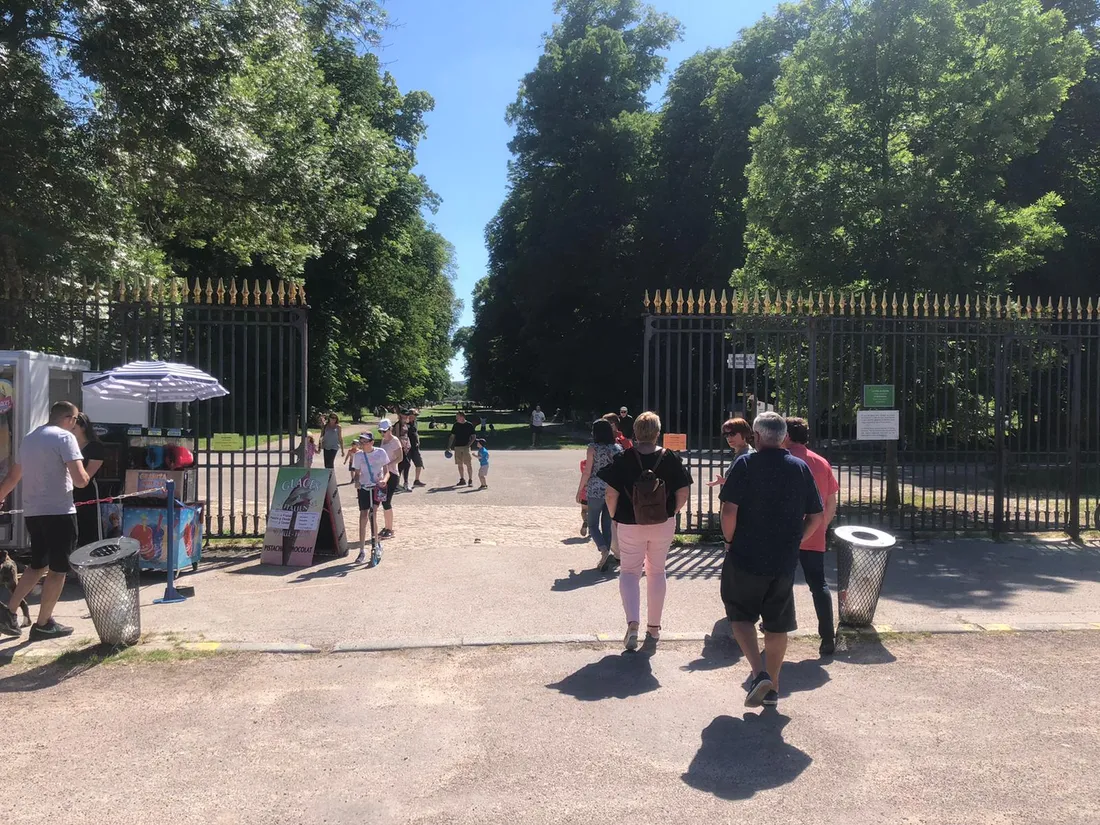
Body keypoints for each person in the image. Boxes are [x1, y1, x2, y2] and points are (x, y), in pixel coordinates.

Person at [719, 411, 823, 709]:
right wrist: (796, 541)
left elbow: (729, 511)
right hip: (782, 561)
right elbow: (816, 516)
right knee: (777, 624)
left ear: (759, 436)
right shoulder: (800, 467)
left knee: (740, 616)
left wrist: (728, 541)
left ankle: (758, 672)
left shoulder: (746, 463)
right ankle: (774, 687)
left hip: (745, 555)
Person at [598, 411, 692, 651]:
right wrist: (672, 511)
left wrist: (614, 516)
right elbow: (683, 492)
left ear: (635, 433)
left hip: (630, 522)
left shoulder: (625, 458)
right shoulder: (669, 458)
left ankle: (632, 623)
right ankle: (654, 627)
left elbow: (610, 493)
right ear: (658, 433)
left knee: (629, 572)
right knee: (657, 571)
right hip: (662, 522)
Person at [0, 401, 91, 639]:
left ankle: (9, 611)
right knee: (59, 569)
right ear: (70, 420)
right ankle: (43, 623)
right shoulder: (65, 438)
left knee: (37, 564)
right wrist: (86, 475)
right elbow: (80, 479)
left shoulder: (30, 438)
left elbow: (13, 476)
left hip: (33, 512)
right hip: (60, 511)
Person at [785, 417, 841, 655]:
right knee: (818, 584)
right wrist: (821, 527)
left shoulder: (784, 461)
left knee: (781, 582)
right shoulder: (821, 462)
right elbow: (831, 502)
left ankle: (780, 625)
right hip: (815, 531)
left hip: (784, 532)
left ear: (786, 435)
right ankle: (827, 637)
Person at [576, 419, 622, 572]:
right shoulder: (617, 448)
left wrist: (580, 489)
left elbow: (587, 471)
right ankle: (606, 557)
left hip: (595, 489)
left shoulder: (592, 448)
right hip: (611, 490)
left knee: (592, 524)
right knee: (607, 525)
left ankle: (603, 550)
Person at [350, 433, 388, 564]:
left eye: (365, 441)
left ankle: (375, 543)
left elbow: (387, 470)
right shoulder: (358, 455)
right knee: (363, 515)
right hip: (364, 487)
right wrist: (357, 482)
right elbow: (357, 473)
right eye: (361, 442)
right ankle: (361, 549)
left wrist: (384, 480)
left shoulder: (380, 452)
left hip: (377, 486)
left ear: (371, 442)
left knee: (374, 513)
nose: (362, 444)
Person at [71, 413, 106, 546]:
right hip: (67, 490)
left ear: (83, 428)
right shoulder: (67, 446)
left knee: (89, 523)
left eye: (74, 429)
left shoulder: (94, 447)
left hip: (87, 490)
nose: (70, 432)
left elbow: (89, 473)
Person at [707, 417, 754, 488]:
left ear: (744, 433)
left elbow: (748, 483)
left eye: (732, 434)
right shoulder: (741, 453)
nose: (729, 438)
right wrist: (724, 481)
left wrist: (724, 481)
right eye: (726, 435)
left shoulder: (748, 455)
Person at [377, 419, 402, 538]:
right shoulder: (383, 441)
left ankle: (390, 529)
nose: (383, 434)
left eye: (385, 431)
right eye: (381, 431)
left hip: (392, 474)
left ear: (390, 429)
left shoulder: (395, 441)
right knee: (383, 502)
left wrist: (389, 464)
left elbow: (400, 457)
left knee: (387, 502)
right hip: (383, 474)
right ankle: (386, 526)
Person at [447, 412, 476, 486]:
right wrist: (449, 447)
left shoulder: (469, 425)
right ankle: (462, 479)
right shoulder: (456, 425)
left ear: (462, 417)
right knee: (459, 464)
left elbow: (473, 436)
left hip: (466, 447)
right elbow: (452, 436)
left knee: (468, 464)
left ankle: (470, 480)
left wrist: (468, 445)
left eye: (457, 417)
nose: (456, 418)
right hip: (457, 447)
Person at [406, 409, 425, 487]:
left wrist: (418, 440)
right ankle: (405, 481)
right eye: (414, 415)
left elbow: (416, 432)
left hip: (415, 446)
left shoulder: (415, 423)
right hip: (407, 447)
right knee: (406, 465)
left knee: (419, 463)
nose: (415, 417)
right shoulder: (405, 424)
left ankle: (417, 480)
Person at [396, 411, 413, 492]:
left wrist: (408, 444)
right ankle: (396, 483)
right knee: (404, 465)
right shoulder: (398, 425)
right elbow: (397, 437)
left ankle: (405, 483)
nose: (406, 417)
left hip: (407, 447)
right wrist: (401, 446)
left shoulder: (406, 424)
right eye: (404, 415)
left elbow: (407, 436)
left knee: (406, 465)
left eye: (407, 415)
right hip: (401, 448)